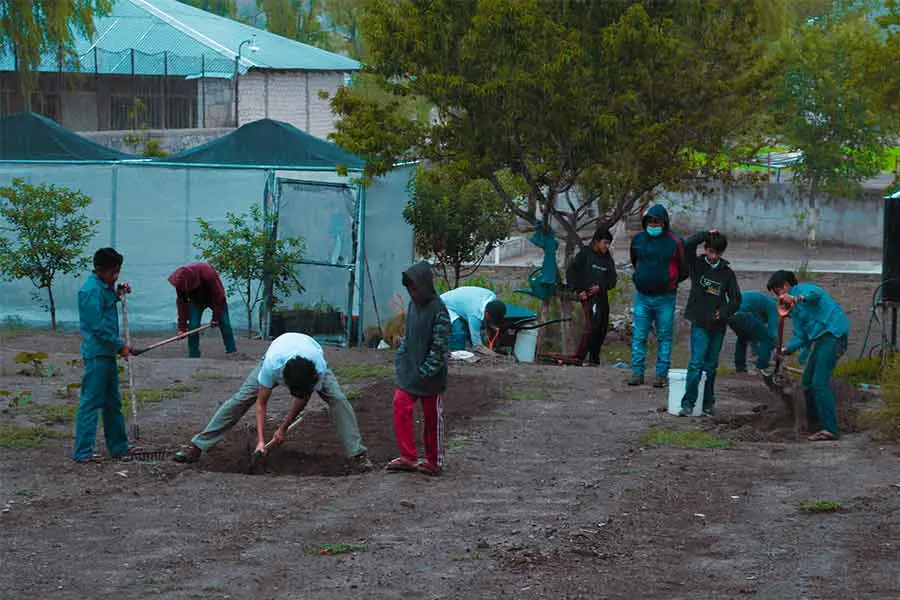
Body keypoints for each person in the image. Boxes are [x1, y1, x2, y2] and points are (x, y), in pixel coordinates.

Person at [173, 332, 373, 470]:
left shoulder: (317, 369)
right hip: (280, 349)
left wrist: (283, 428)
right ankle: (198, 446)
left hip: (309, 352)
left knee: (338, 399)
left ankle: (358, 454)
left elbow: (303, 397)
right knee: (241, 399)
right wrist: (261, 441)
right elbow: (261, 404)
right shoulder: (272, 365)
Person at [767, 270, 849, 441]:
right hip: (820, 340)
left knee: (819, 382)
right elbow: (801, 337)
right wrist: (784, 350)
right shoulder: (794, 312)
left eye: (779, 289)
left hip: (833, 333)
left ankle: (831, 429)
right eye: (776, 292)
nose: (779, 294)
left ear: (787, 285)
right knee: (806, 383)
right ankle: (815, 423)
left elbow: (815, 295)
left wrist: (797, 298)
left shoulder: (803, 289)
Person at [387, 261, 451, 476]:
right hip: (410, 371)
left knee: (433, 418)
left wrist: (424, 371)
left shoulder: (439, 310)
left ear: (424, 285)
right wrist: (401, 359)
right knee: (400, 405)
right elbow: (408, 337)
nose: (412, 293)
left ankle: (434, 461)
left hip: (431, 377)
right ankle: (408, 456)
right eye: (409, 289)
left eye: (414, 288)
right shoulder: (414, 306)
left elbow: (439, 348)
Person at [73, 248, 133, 463]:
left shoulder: (103, 287)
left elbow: (105, 306)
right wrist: (120, 345)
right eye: (112, 272)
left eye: (118, 272)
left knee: (112, 403)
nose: (115, 276)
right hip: (97, 354)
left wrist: (118, 294)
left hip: (107, 354)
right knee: (91, 402)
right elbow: (97, 325)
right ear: (99, 269)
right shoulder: (90, 291)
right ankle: (83, 452)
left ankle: (119, 447)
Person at [678, 231, 741, 417]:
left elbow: (736, 299)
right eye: (711, 252)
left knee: (711, 365)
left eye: (717, 254)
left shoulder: (727, 273)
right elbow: (687, 245)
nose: (713, 257)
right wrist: (706, 234)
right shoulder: (696, 265)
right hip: (699, 322)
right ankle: (688, 403)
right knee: (696, 364)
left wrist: (723, 312)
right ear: (705, 249)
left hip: (718, 325)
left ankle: (707, 403)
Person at [628, 204, 688, 387]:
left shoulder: (675, 242)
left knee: (664, 337)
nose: (653, 225)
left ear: (664, 223)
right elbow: (634, 261)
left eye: (657, 222)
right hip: (643, 296)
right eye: (650, 221)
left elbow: (684, 269)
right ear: (645, 222)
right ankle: (637, 374)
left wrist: (670, 282)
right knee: (639, 336)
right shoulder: (638, 240)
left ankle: (661, 375)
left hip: (665, 298)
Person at [566, 227, 618, 366]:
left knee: (601, 327)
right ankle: (579, 357)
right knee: (589, 327)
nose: (606, 246)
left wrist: (601, 287)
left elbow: (612, 280)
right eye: (605, 243)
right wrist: (577, 290)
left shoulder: (608, 259)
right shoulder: (585, 254)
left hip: (601, 298)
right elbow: (572, 271)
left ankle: (594, 358)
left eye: (608, 244)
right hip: (585, 298)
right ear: (596, 242)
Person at [168, 262, 236, 358]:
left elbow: (219, 297)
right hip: (196, 301)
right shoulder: (180, 281)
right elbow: (182, 304)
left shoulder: (207, 274)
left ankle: (232, 352)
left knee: (224, 322)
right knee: (193, 326)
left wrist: (215, 318)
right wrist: (182, 328)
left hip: (214, 299)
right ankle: (193, 355)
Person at [441, 285, 506, 355]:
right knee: (459, 332)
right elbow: (477, 346)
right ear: (486, 313)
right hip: (445, 303)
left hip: (463, 301)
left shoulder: (492, 297)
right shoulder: (475, 314)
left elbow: (487, 321)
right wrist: (494, 354)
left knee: (469, 327)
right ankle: (455, 353)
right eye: (491, 318)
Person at [727, 290, 779, 375]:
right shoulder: (773, 305)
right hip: (742, 313)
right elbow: (772, 333)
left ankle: (740, 368)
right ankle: (762, 367)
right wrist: (777, 348)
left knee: (742, 338)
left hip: (730, 314)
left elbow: (755, 333)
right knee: (766, 339)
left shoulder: (761, 303)